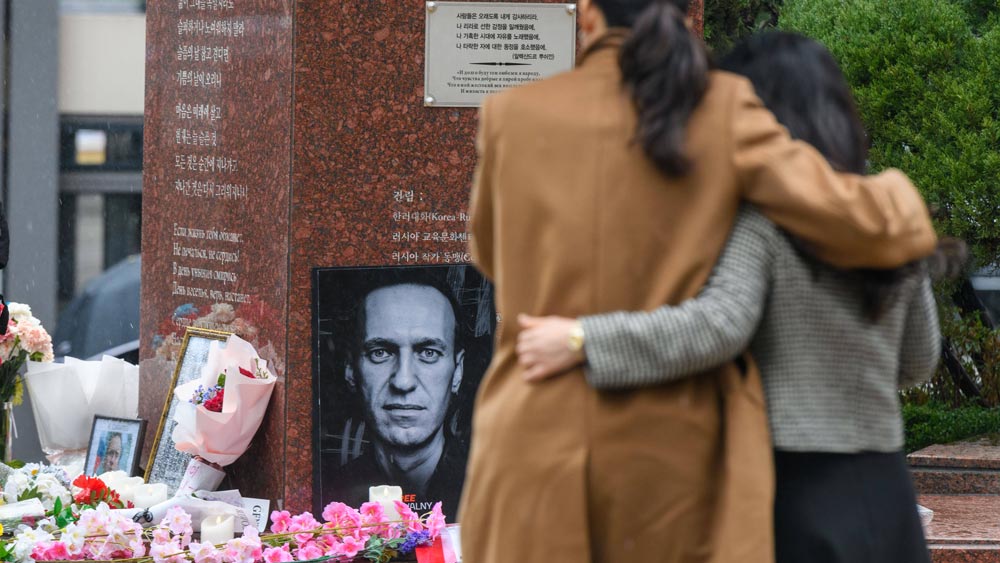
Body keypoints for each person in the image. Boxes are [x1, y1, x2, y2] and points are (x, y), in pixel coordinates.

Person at [460, 0, 938, 561]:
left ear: (586, 13)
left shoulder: (510, 112)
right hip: (665, 450)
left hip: (532, 423)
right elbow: (845, 214)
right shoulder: (722, 108)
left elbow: (489, 255)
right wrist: (904, 202)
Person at [321, 281, 468, 516]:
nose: (403, 381)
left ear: (458, 371)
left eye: (428, 353)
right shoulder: (329, 495)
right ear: (351, 370)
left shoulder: (500, 490)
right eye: (380, 353)